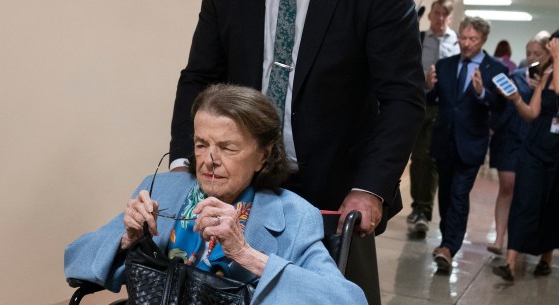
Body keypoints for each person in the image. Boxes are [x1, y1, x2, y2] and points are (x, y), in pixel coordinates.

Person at [4, 85, 370, 305]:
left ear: (263, 155)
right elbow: (75, 260)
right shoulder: (162, 191)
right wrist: (125, 240)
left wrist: (247, 255)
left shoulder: (292, 216)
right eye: (201, 144)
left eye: (228, 147)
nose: (210, 160)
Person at [169, 0, 425, 237]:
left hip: (332, 195)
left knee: (320, 286)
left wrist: (370, 188)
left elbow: (402, 98)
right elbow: (199, 78)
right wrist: (183, 164)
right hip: (239, 183)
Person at [492, 26, 559, 281]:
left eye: (557, 46)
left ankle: (546, 257)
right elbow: (532, 113)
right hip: (537, 143)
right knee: (525, 199)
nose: (552, 50)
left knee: (557, 203)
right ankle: (510, 262)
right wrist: (516, 98)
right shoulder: (548, 73)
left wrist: (556, 61)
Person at [425, 16, 507, 272]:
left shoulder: (495, 69)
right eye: (463, 37)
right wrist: (427, 87)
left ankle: (449, 247)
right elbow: (434, 98)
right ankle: (446, 241)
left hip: (471, 144)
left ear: (483, 40)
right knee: (446, 195)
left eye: (473, 39)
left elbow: (500, 106)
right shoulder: (446, 65)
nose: (466, 43)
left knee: (459, 195)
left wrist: (482, 92)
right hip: (444, 141)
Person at [486, 32, 551, 255]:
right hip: (511, 136)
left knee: (528, 193)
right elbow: (498, 103)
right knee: (507, 186)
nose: (532, 58)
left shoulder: (553, 81)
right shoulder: (516, 75)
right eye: (529, 53)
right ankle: (499, 237)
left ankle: (520, 241)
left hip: (536, 139)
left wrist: (541, 86)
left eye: (538, 53)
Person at [406, 0, 460, 236]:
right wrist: (424, 84)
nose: (440, 17)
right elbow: (407, 71)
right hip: (421, 103)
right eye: (437, 12)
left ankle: (423, 210)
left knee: (432, 158)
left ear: (450, 16)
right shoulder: (418, 38)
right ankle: (418, 205)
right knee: (418, 157)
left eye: (445, 14)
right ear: (431, 15)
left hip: (444, 108)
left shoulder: (458, 42)